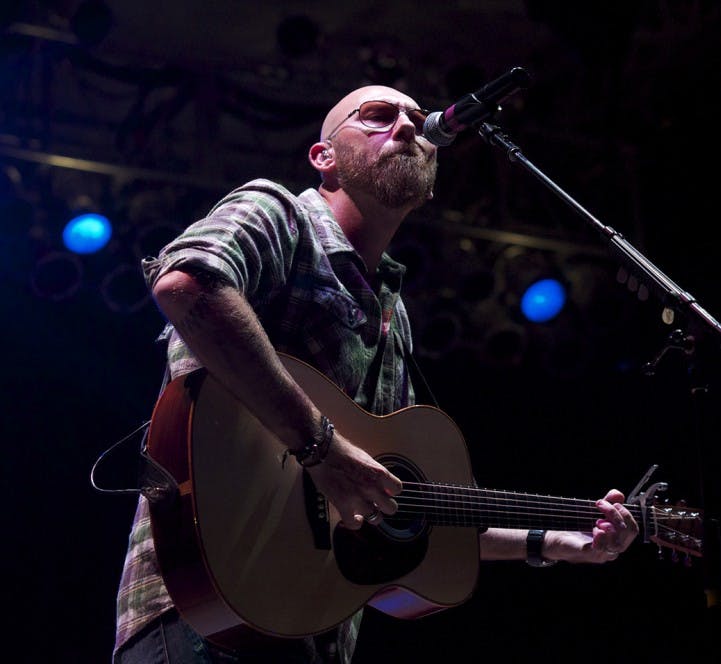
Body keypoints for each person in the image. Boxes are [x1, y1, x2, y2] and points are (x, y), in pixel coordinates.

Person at [113, 83, 639, 663]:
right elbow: (187, 286)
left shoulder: (396, 312)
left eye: (417, 119)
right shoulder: (279, 212)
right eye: (379, 116)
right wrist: (322, 447)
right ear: (324, 157)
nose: (410, 127)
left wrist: (552, 540)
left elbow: (396, 500)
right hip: (204, 608)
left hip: (314, 631)